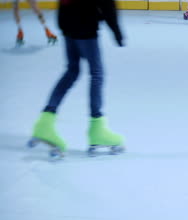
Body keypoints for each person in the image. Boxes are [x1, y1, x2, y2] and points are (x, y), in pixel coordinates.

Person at [28, 0, 125, 159]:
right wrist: (116, 30)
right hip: (84, 24)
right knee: (96, 73)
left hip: (67, 21)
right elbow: (107, 3)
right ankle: (97, 128)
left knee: (72, 70)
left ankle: (45, 122)